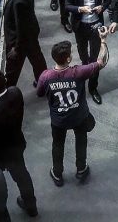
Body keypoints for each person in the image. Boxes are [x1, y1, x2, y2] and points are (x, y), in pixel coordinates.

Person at [36, 29, 109, 187]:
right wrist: (102, 41)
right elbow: (101, 62)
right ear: (68, 58)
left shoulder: (45, 76)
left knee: (58, 145)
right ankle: (81, 169)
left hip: (59, 120)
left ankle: (57, 173)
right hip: (79, 116)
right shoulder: (79, 72)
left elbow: (40, 93)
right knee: (81, 142)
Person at [0, 67, 37, 217]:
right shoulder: (15, 92)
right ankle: (31, 205)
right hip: (17, 143)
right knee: (23, 177)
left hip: (4, 154)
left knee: (1, 182)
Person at [65, 0, 111, 104]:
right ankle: (83, 76)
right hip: (80, 27)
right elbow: (67, 5)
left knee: (95, 59)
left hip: (96, 25)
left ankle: (92, 88)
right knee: (83, 57)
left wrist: (102, 7)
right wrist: (80, 9)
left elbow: (108, 0)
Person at [2, 0, 47, 87]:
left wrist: (16, 48)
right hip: (31, 32)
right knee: (37, 59)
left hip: (19, 40)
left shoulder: (19, 2)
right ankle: (43, 82)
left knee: (12, 69)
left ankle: (8, 92)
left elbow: (21, 26)